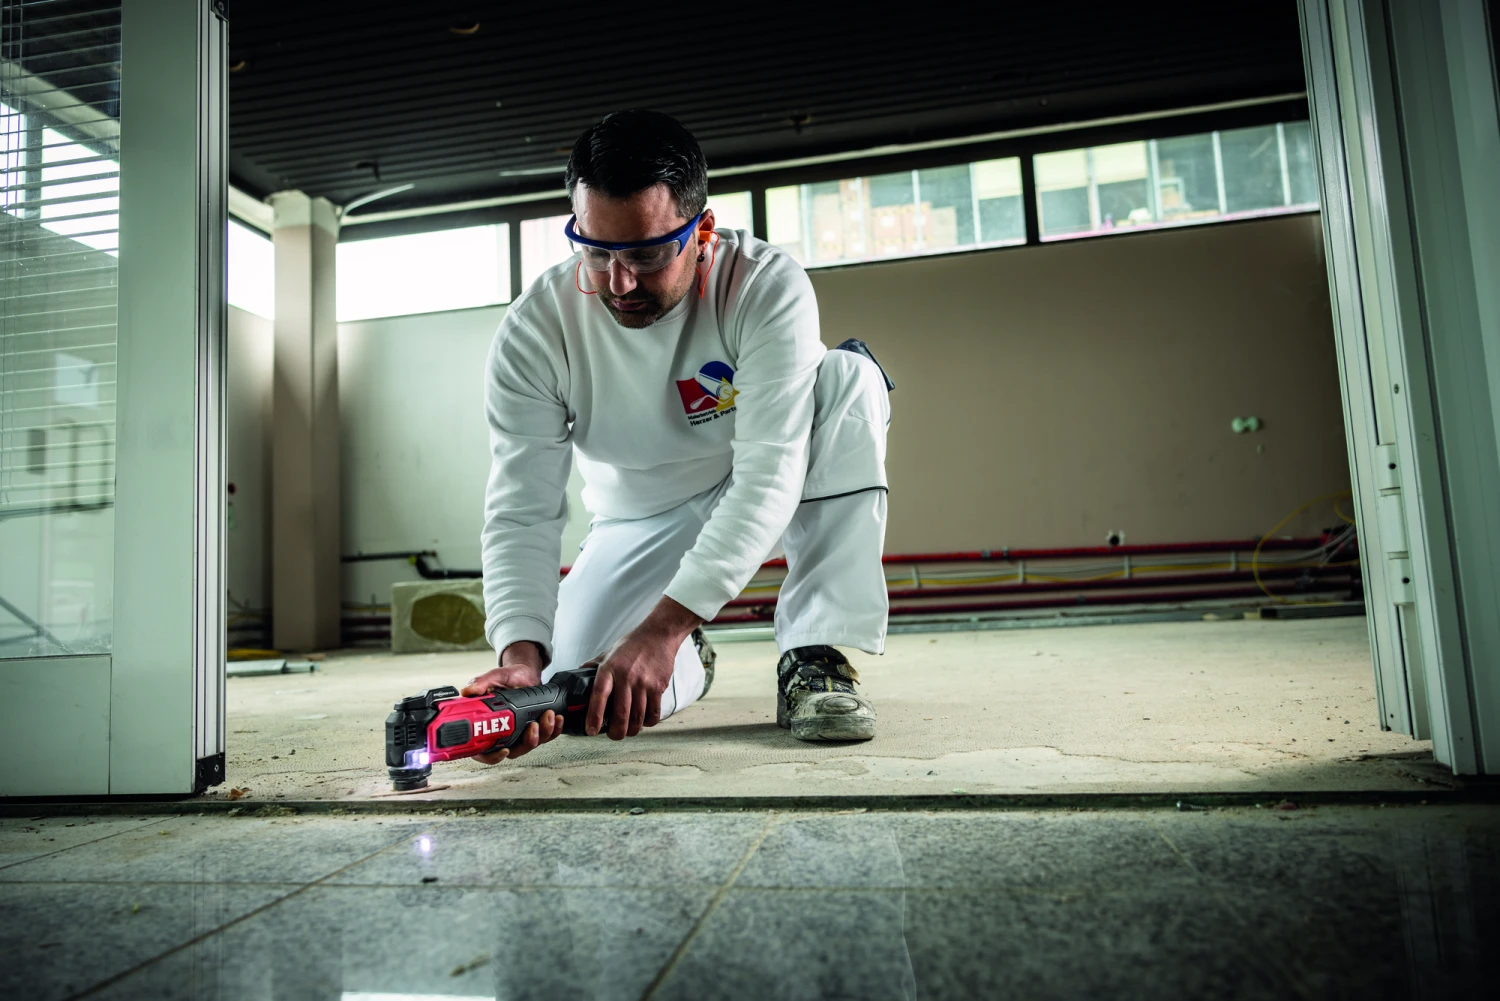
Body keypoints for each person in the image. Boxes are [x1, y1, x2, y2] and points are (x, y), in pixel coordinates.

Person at [463, 110, 892, 764]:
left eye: (646, 253)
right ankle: (691, 658)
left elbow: (769, 474)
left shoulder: (764, 284)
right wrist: (519, 655)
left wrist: (660, 626)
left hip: (775, 472)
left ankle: (814, 652)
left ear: (703, 232)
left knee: (847, 379)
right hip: (639, 516)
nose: (619, 282)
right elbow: (522, 508)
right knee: (577, 693)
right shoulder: (535, 330)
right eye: (596, 251)